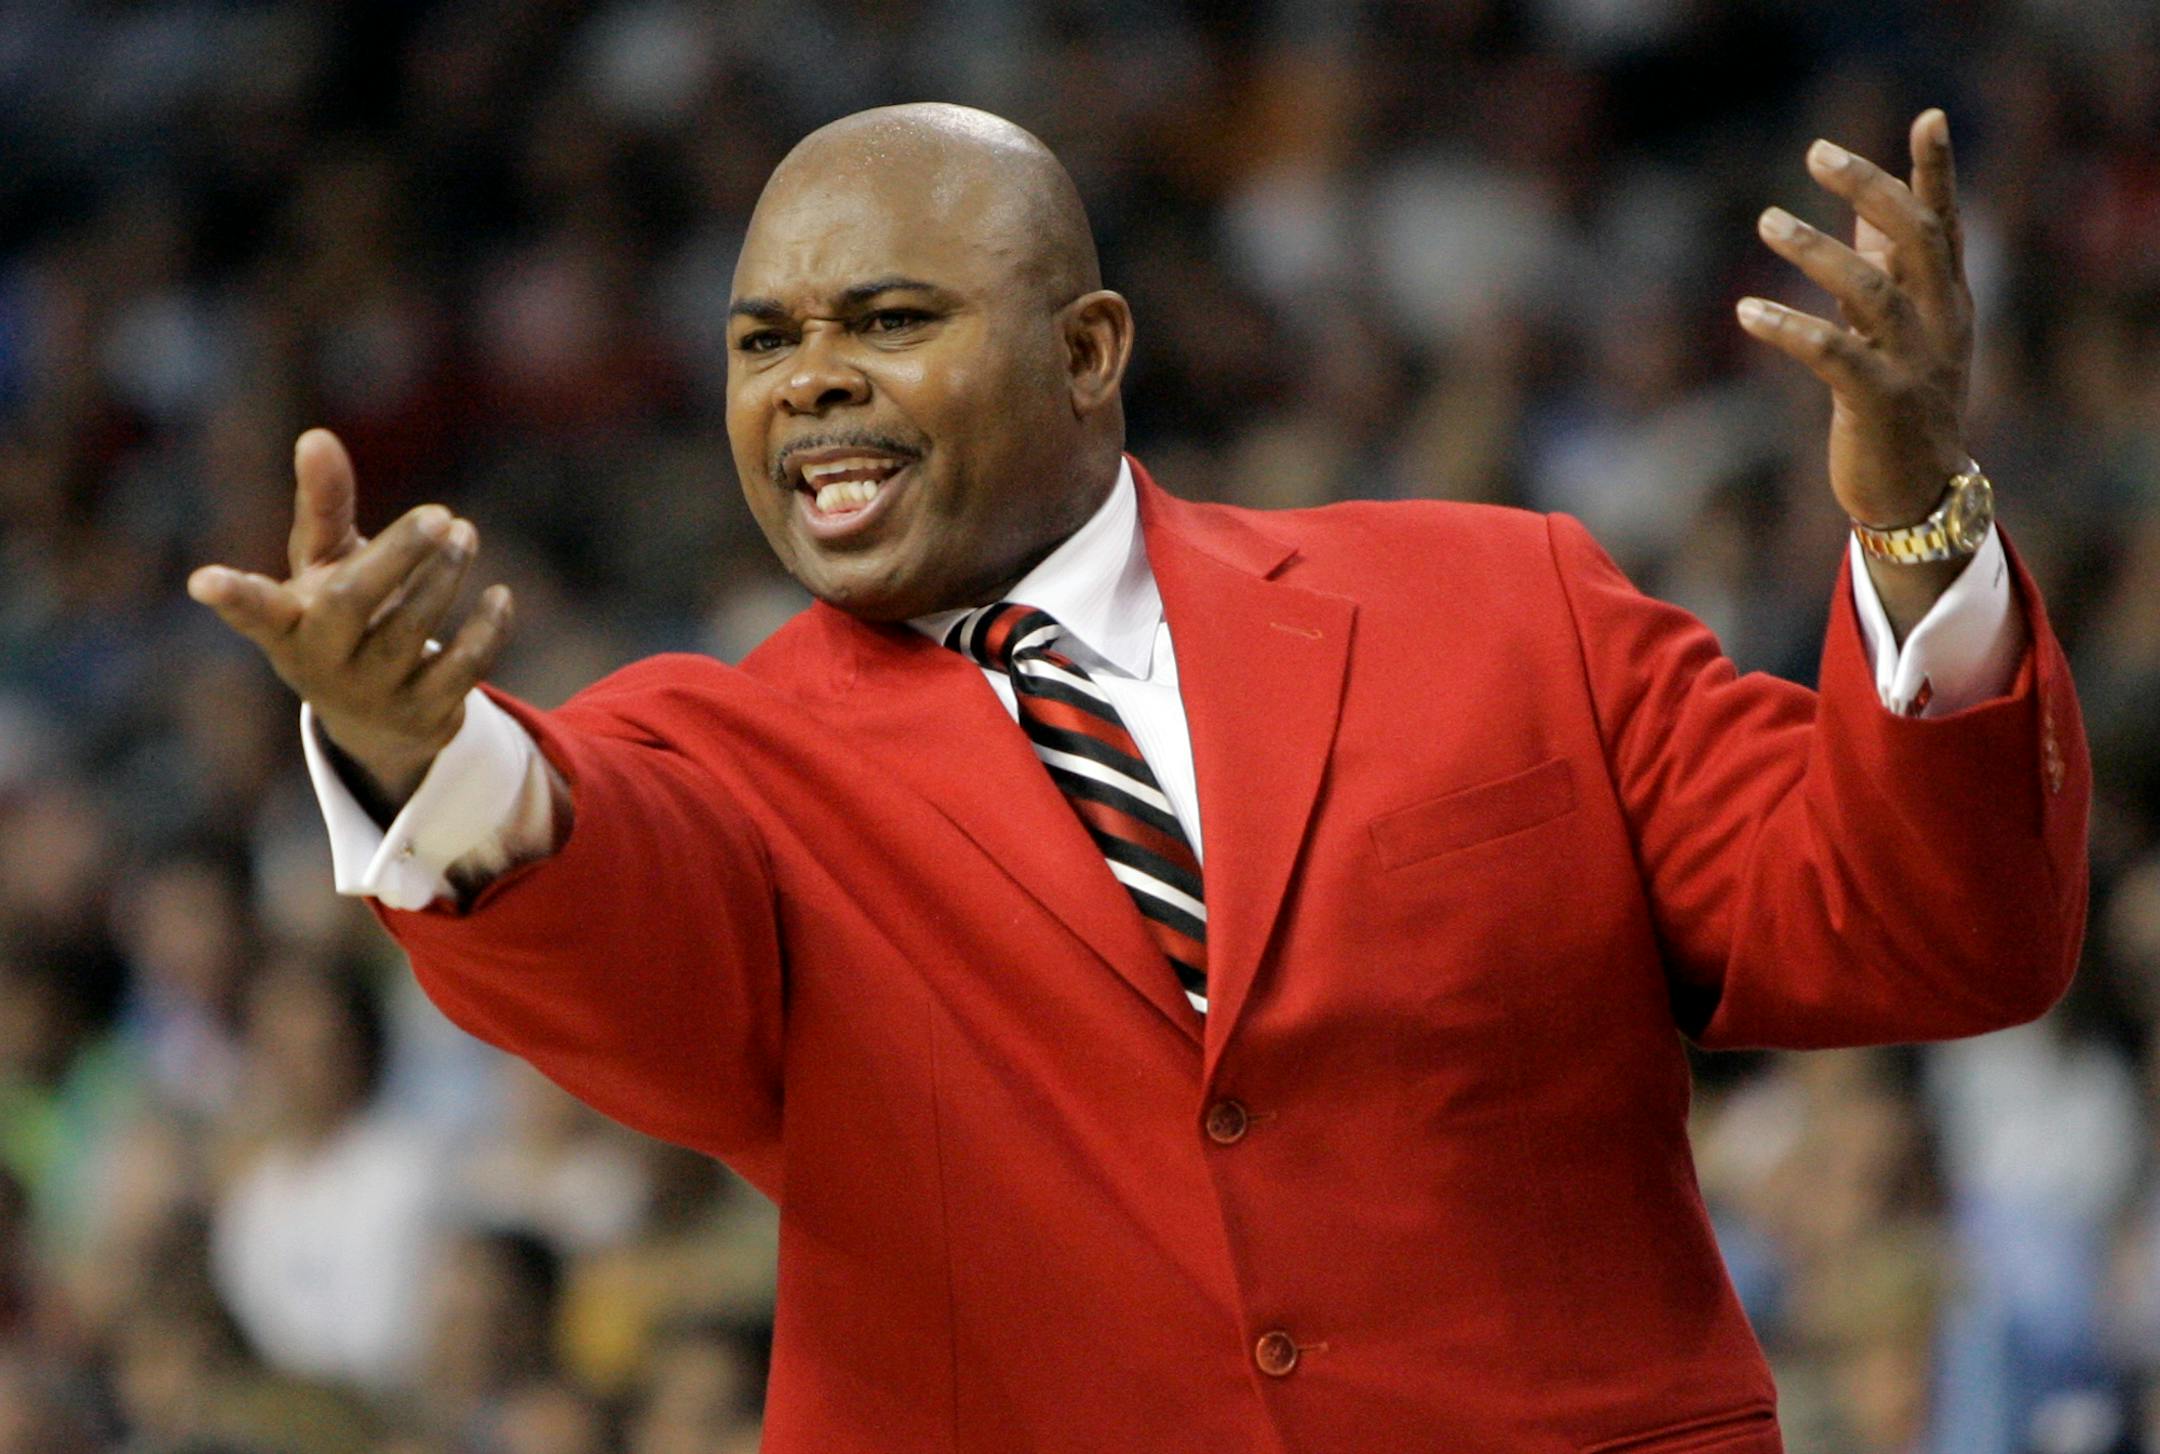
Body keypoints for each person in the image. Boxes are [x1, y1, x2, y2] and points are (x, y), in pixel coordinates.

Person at [189, 103, 2088, 1452]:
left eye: (889, 320)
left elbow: (1931, 934)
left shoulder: (1501, 601)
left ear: (1091, 346)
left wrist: (1919, 507)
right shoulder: (722, 757)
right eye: (765, 341)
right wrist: (415, 741)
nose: (809, 385)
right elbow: (604, 891)